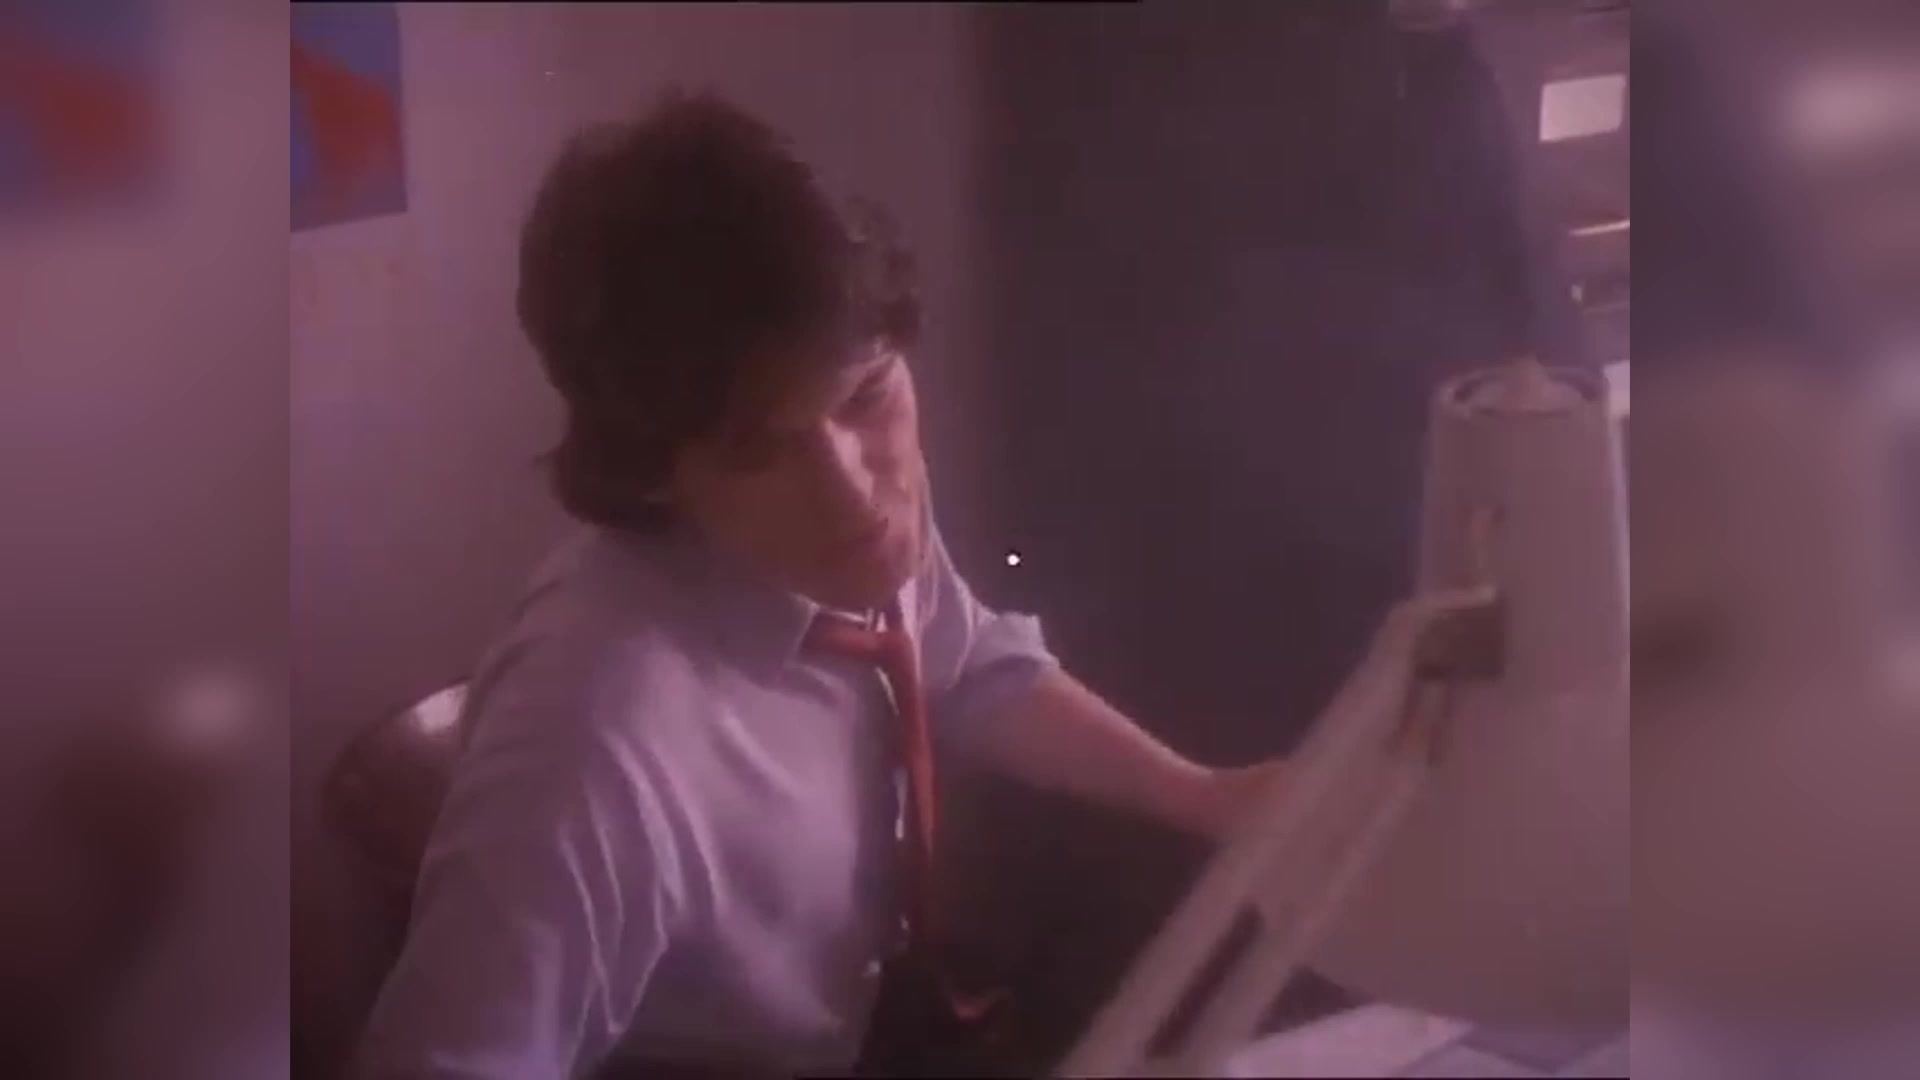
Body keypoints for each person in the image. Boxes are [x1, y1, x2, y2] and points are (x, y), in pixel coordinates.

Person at [351, 90, 1477, 1080]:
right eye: (760, 450)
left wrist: (1206, 796)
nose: (850, 490)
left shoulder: (842, 535)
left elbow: (962, 659)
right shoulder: (592, 744)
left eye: (867, 398)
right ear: (655, 471)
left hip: (890, 1020)